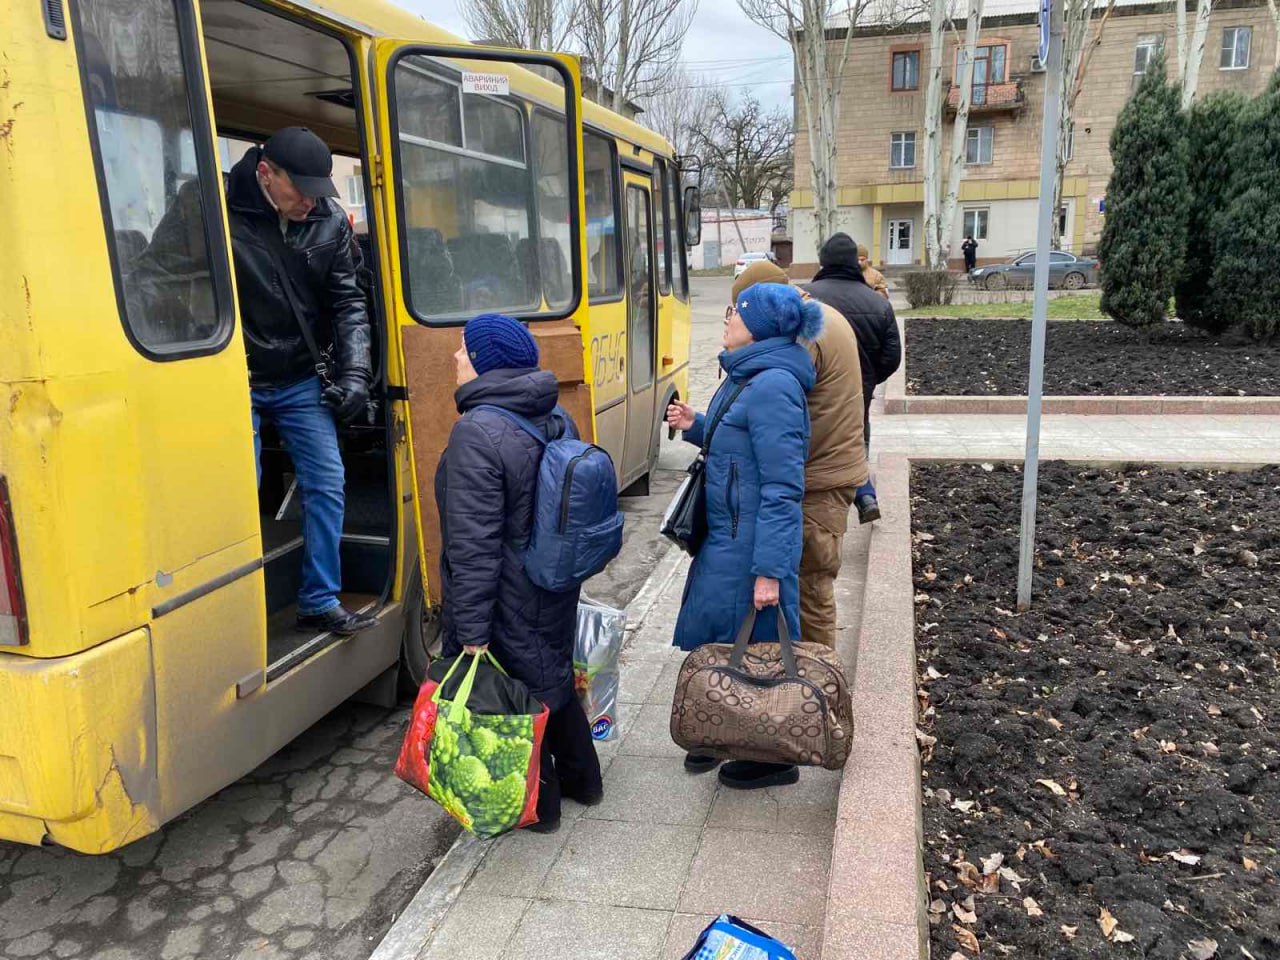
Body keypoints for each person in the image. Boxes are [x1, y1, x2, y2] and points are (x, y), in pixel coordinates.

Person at [436, 313, 604, 832]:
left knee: (519, 695)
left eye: (464, 350)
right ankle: (585, 781)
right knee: (550, 673)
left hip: (506, 589)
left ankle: (540, 809)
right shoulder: (554, 414)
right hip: (552, 579)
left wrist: (471, 631)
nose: (455, 358)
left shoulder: (476, 432)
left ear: (487, 362)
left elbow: (473, 546)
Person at [665, 283, 821, 790]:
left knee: (758, 646)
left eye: (737, 310)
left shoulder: (774, 384)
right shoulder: (749, 373)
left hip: (753, 542)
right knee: (721, 634)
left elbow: (782, 486)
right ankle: (721, 730)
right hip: (730, 536)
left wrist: (771, 571)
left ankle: (773, 754)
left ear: (759, 326)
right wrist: (696, 425)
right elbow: (738, 443)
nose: (727, 316)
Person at [224, 127, 375, 636]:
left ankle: (317, 598)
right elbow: (164, 282)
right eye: (301, 190)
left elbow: (349, 302)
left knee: (327, 483)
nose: (312, 201)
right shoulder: (211, 208)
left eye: (320, 189)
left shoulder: (328, 221)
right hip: (233, 376)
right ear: (266, 175)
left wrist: (355, 374)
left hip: (298, 377)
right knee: (240, 490)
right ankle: (234, 614)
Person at [731, 261, 873, 648]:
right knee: (813, 588)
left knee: (810, 592)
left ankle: (820, 693)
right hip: (835, 468)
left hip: (818, 479)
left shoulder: (801, 338)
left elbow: (775, 409)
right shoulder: (824, 317)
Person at [804, 233, 901, 521]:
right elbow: (891, 357)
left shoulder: (804, 298)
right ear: (855, 263)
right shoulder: (878, 304)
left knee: (811, 442)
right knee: (855, 438)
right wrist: (866, 380)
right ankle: (863, 494)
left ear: (823, 262)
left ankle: (816, 505)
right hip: (859, 392)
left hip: (811, 390)